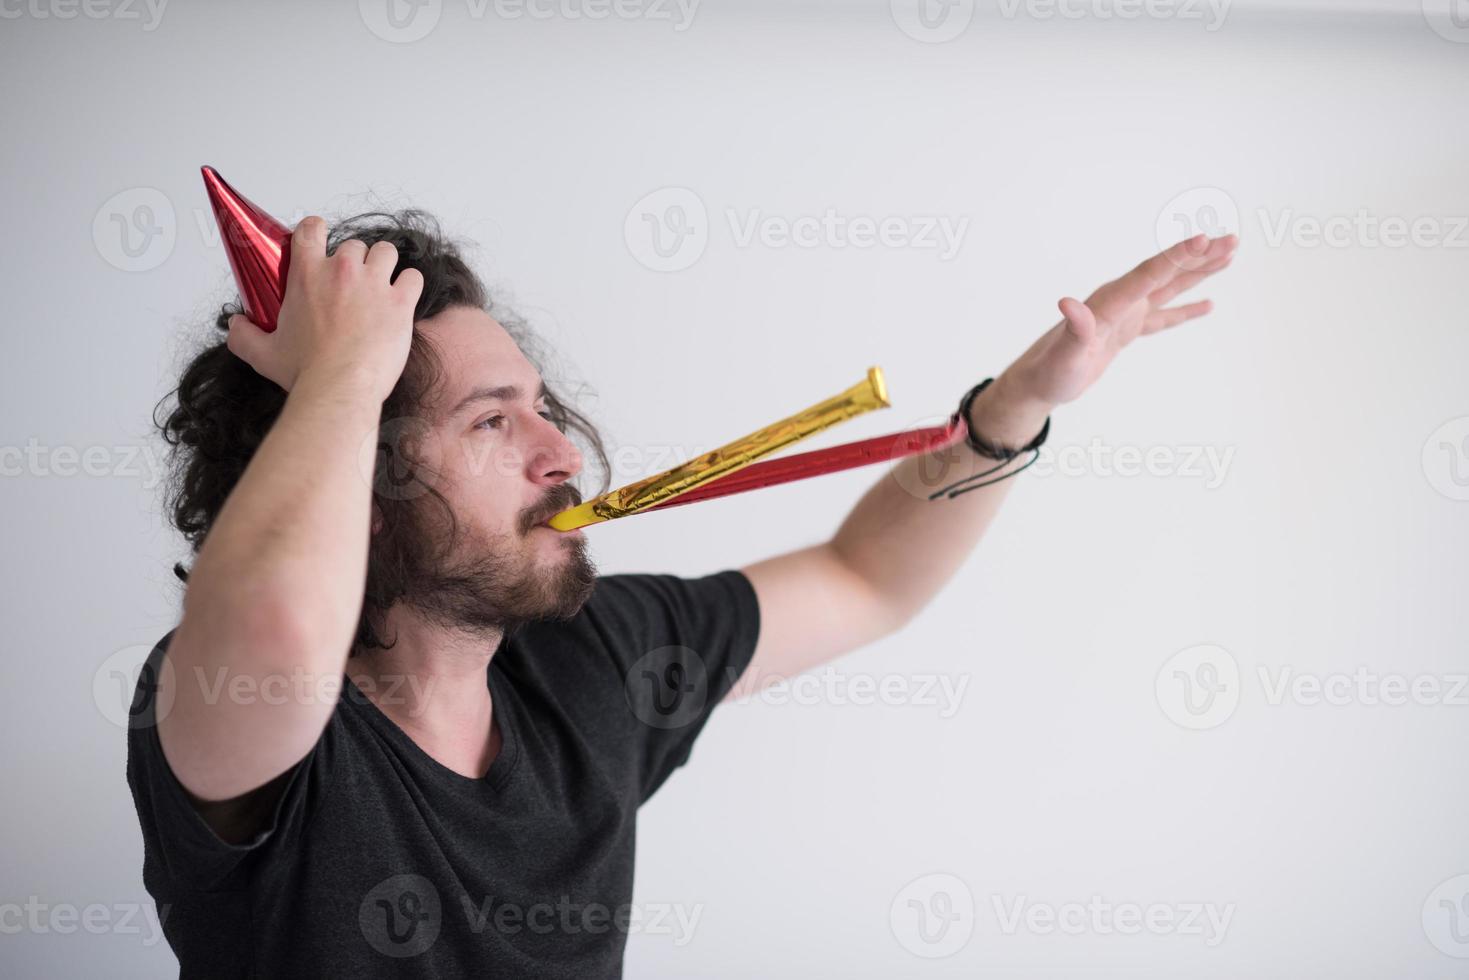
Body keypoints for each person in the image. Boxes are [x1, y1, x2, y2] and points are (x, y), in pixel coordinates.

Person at [127, 207, 1236, 977]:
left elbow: (863, 578)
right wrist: (343, 367)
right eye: (489, 420)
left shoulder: (593, 657)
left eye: (540, 403)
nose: (559, 450)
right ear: (356, 481)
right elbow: (278, 617)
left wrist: (1011, 410)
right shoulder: (244, 711)